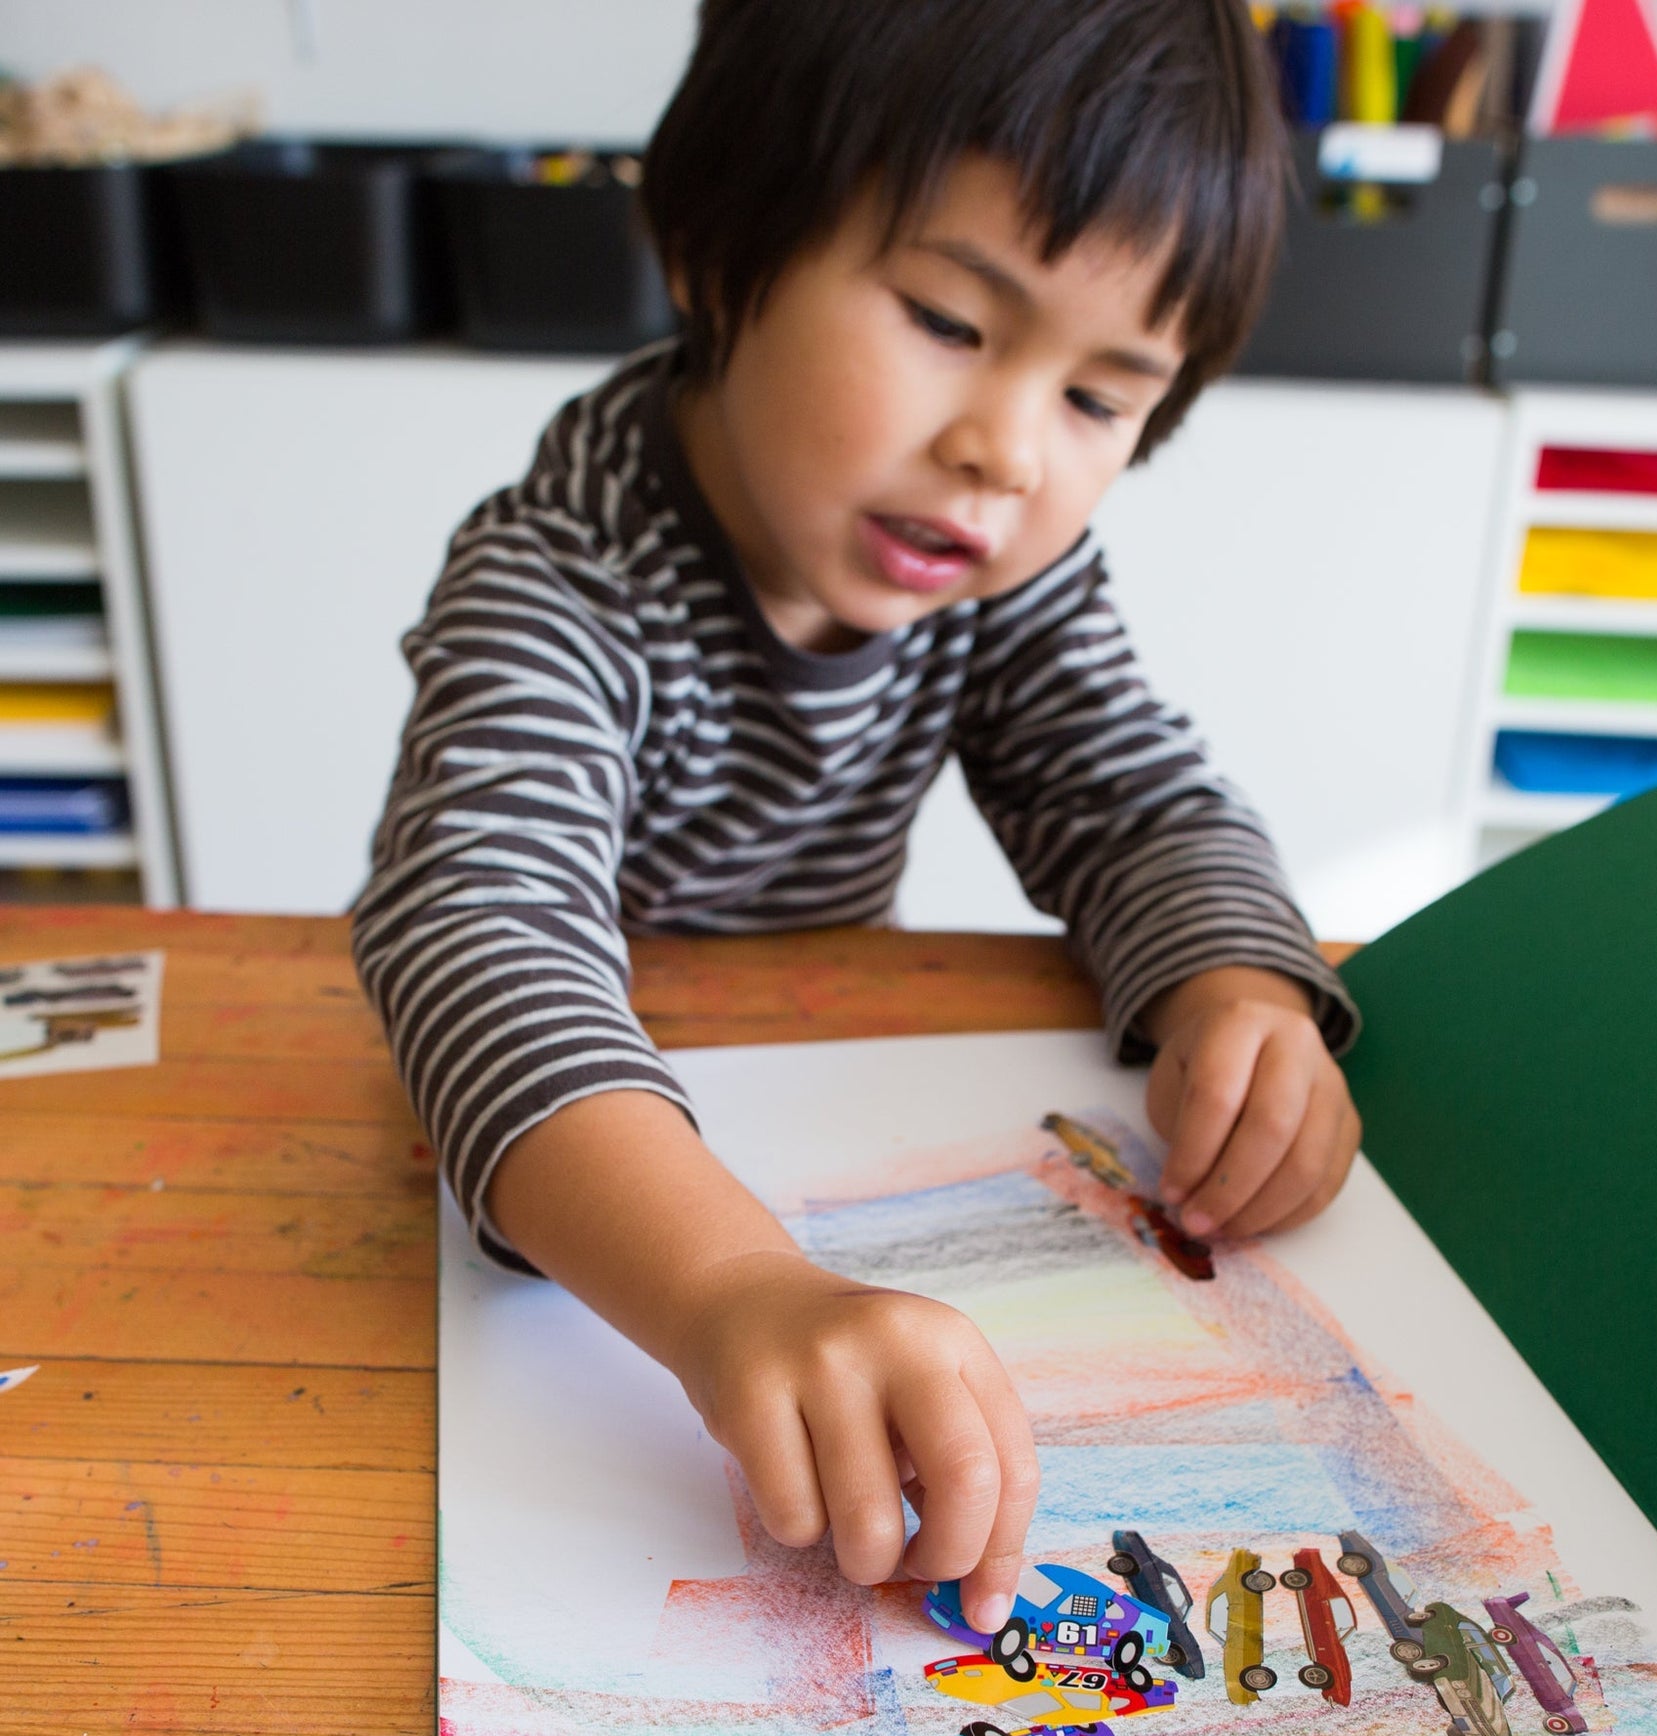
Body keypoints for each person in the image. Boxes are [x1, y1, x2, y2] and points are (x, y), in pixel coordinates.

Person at [353, 0, 1362, 1639]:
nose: (1003, 451)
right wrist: (731, 1290)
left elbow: (1132, 794)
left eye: (1101, 401)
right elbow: (476, 928)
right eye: (950, 321)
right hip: (593, 1170)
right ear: (711, 240)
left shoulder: (986, 568)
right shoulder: (558, 578)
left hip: (817, 1082)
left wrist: (1236, 986)